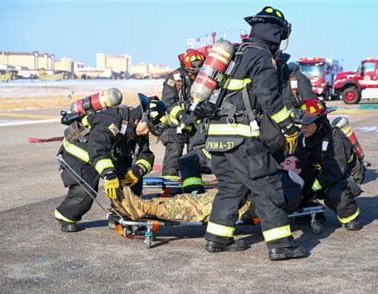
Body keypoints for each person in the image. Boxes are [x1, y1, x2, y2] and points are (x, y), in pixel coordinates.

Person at [202, 6, 306, 261]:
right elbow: (268, 99)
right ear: (277, 34)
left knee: (231, 188)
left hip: (216, 137)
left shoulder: (237, 54)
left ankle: (216, 238)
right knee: (267, 186)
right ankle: (281, 245)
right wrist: (288, 126)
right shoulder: (261, 57)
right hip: (241, 137)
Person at [54, 98, 158, 232]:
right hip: (80, 152)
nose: (147, 133)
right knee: (86, 191)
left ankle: (119, 214)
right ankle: (65, 216)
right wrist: (109, 175)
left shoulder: (138, 128)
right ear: (142, 119)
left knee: (131, 179)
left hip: (104, 155)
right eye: (149, 128)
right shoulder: (111, 119)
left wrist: (136, 171)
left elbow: (146, 155)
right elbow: (97, 149)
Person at [113, 155, 307, 222]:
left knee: (193, 207)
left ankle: (141, 207)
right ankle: (138, 205)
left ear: (298, 169)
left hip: (246, 204)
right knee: (187, 201)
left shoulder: (293, 183)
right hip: (237, 197)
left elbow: (283, 202)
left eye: (288, 162)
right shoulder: (279, 175)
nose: (283, 163)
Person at [294, 98, 363, 231]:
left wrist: (310, 188)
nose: (303, 128)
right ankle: (313, 213)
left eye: (307, 124)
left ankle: (350, 215)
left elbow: (335, 170)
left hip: (344, 177)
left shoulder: (335, 138)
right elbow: (299, 161)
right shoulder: (303, 138)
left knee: (335, 193)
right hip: (320, 175)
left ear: (319, 122)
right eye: (301, 125)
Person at [160, 49, 206, 182]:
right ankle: (170, 188)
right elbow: (167, 102)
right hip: (176, 125)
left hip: (195, 124)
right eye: (192, 71)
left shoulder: (203, 78)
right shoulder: (174, 79)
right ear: (185, 68)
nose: (195, 75)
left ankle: (193, 187)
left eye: (198, 71)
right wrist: (181, 115)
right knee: (173, 156)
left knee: (194, 156)